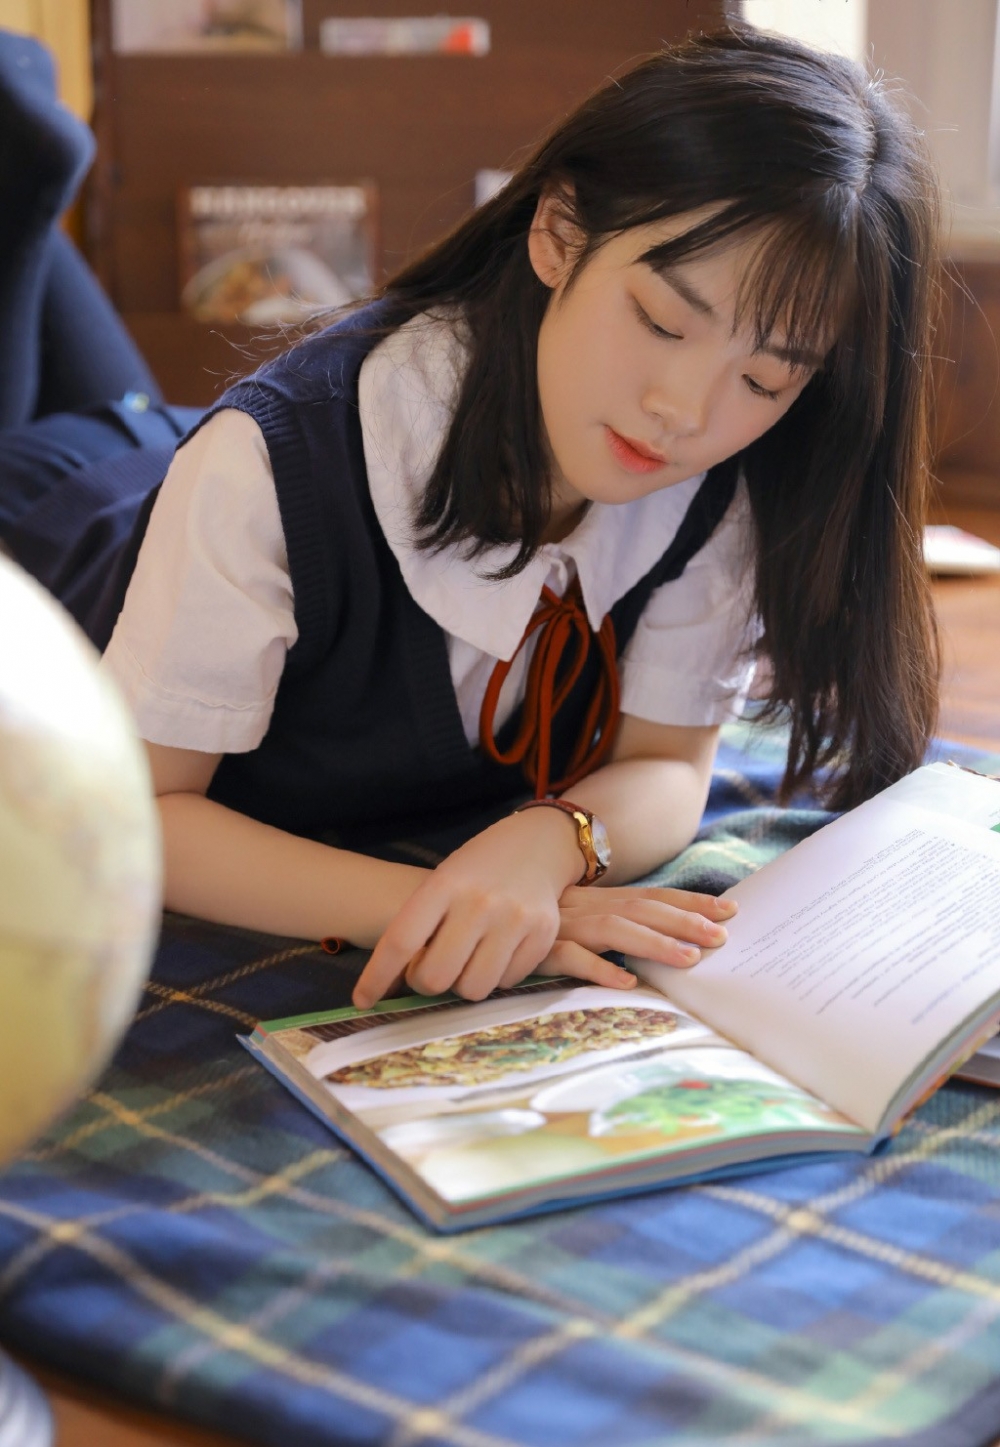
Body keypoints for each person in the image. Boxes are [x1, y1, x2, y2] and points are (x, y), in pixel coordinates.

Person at [0, 25, 940, 1012]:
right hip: (58, 518)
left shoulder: (719, 473)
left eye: (764, 376)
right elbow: (144, 815)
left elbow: (668, 762)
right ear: (556, 232)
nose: (686, 412)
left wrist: (549, 845)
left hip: (186, 451)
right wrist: (451, 903)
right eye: (662, 321)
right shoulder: (266, 470)